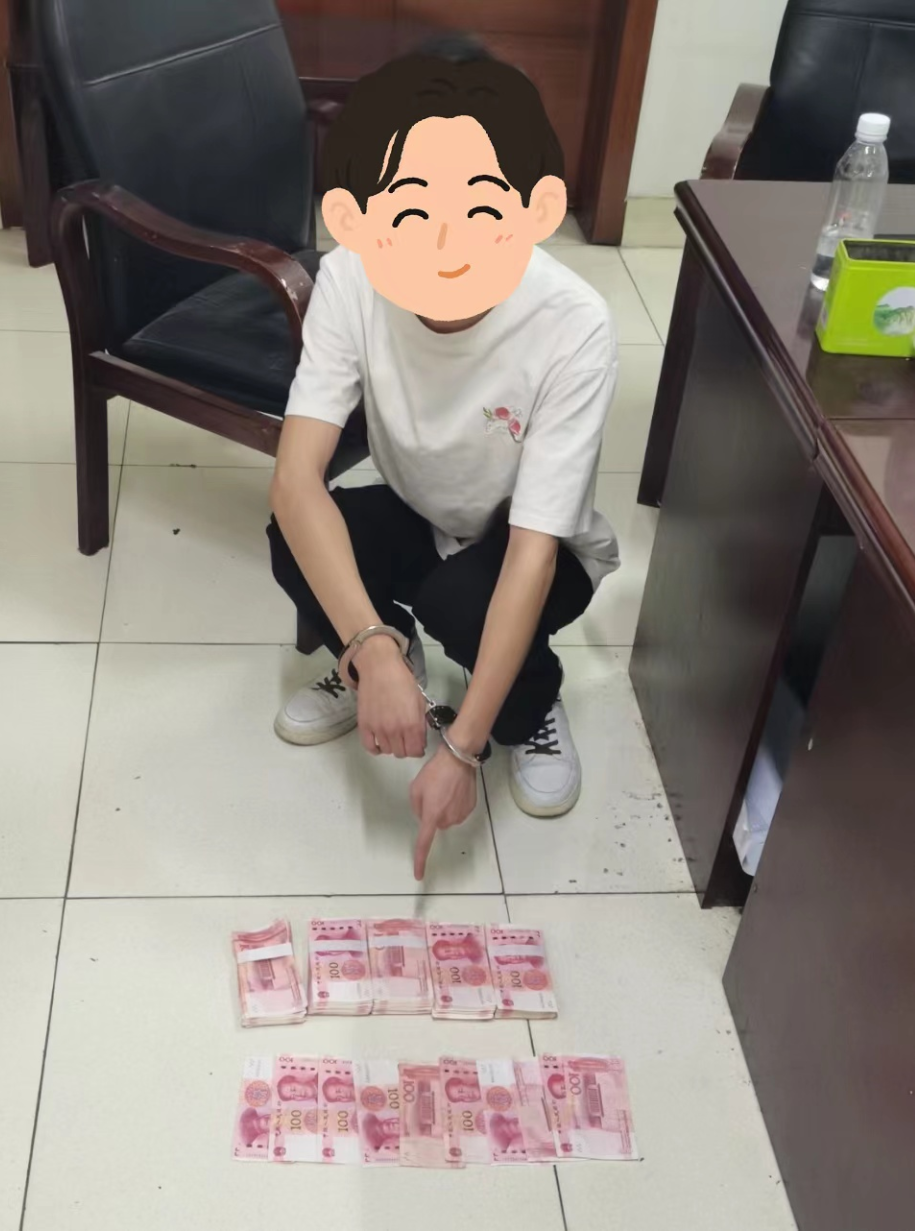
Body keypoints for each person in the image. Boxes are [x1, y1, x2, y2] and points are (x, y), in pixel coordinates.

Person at [268, 46, 619, 880]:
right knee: (294, 537)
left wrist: (461, 749)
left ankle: (531, 699)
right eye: (412, 208)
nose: (446, 241)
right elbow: (296, 479)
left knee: (460, 603)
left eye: (482, 207)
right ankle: (391, 656)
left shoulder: (574, 323)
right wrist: (371, 648)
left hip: (531, 542)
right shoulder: (350, 276)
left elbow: (533, 551)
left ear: (534, 208)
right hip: (423, 502)